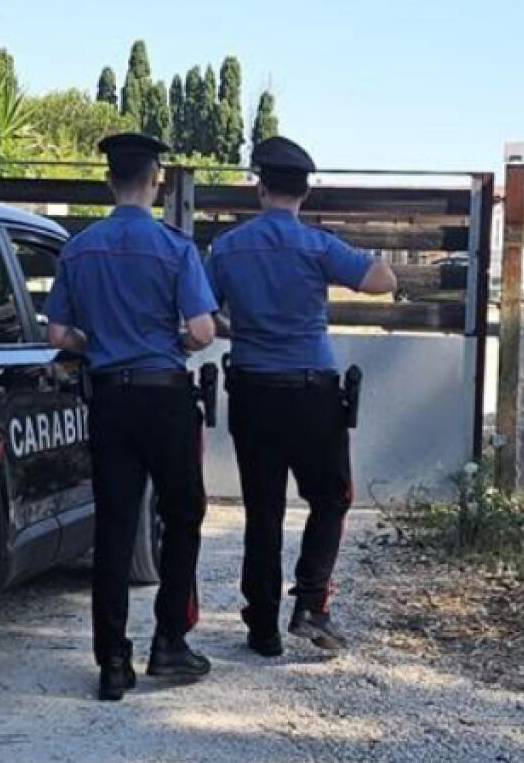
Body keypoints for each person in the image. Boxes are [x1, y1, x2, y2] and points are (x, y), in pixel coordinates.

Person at [206, 136, 397, 657]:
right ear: (305, 193)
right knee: (331, 498)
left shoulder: (227, 248)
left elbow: (201, 314)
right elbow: (382, 280)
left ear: (260, 188)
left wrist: (237, 329)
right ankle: (312, 604)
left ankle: (262, 625)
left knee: (263, 509)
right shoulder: (318, 245)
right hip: (313, 392)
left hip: (252, 391)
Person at [47, 131, 217, 702]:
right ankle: (169, 641)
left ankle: (112, 662)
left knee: (115, 527)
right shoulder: (176, 248)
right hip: (165, 397)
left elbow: (57, 334)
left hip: (109, 399)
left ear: (108, 182)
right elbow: (201, 331)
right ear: (157, 182)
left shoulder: (79, 249)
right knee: (183, 515)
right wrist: (176, 342)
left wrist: (97, 342)